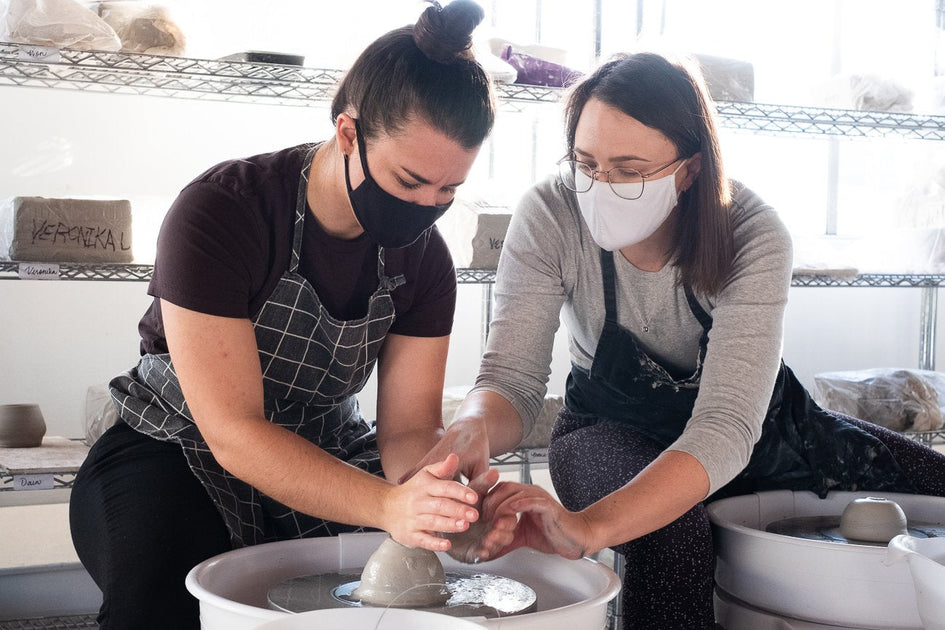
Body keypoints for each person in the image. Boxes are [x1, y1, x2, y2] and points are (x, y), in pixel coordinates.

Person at [411, 52, 945, 629]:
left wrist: (591, 528)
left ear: (689, 169)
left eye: (629, 169)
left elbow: (725, 426)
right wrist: (471, 427)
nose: (600, 185)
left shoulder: (750, 232)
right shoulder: (551, 213)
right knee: (671, 531)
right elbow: (511, 382)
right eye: (585, 162)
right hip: (609, 432)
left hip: (761, 435)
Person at [68, 2, 508, 628]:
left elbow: (408, 431)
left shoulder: (426, 260)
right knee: (163, 605)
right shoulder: (223, 212)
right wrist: (390, 506)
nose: (426, 206)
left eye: (448, 191)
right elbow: (235, 432)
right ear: (349, 132)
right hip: (175, 442)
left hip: (328, 446)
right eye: (409, 181)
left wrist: (439, 504)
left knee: (384, 604)